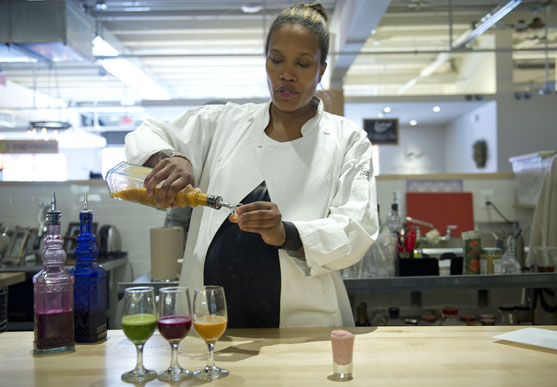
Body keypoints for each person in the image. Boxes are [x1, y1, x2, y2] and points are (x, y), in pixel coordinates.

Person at [124, 2, 378, 328]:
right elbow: (147, 132)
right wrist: (170, 159)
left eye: (303, 63)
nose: (287, 74)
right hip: (208, 325)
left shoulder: (348, 140)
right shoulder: (225, 122)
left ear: (321, 70)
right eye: (276, 60)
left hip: (304, 326)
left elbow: (357, 229)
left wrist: (286, 233)